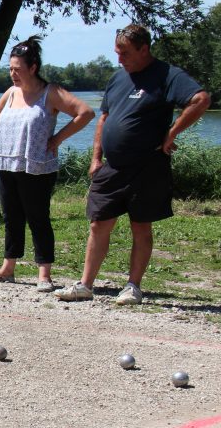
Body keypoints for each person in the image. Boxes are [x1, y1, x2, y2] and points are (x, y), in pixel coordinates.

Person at [55, 24, 211, 305]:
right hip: (111, 167)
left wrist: (172, 133)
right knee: (98, 223)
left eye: (125, 52)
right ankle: (85, 284)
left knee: (141, 226)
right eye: (117, 52)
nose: (119, 59)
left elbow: (201, 99)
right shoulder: (118, 78)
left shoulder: (167, 75)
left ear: (144, 49)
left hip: (147, 166)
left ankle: (132, 287)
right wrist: (95, 159)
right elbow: (104, 118)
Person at [0, 37, 94, 291]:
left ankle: (44, 274)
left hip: (37, 166)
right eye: (10, 69)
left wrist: (57, 139)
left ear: (33, 68)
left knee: (38, 217)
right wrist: (5, 133)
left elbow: (85, 112)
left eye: (17, 69)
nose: (13, 74)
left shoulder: (50, 93)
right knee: (11, 216)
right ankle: (7, 268)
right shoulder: (11, 93)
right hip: (7, 162)